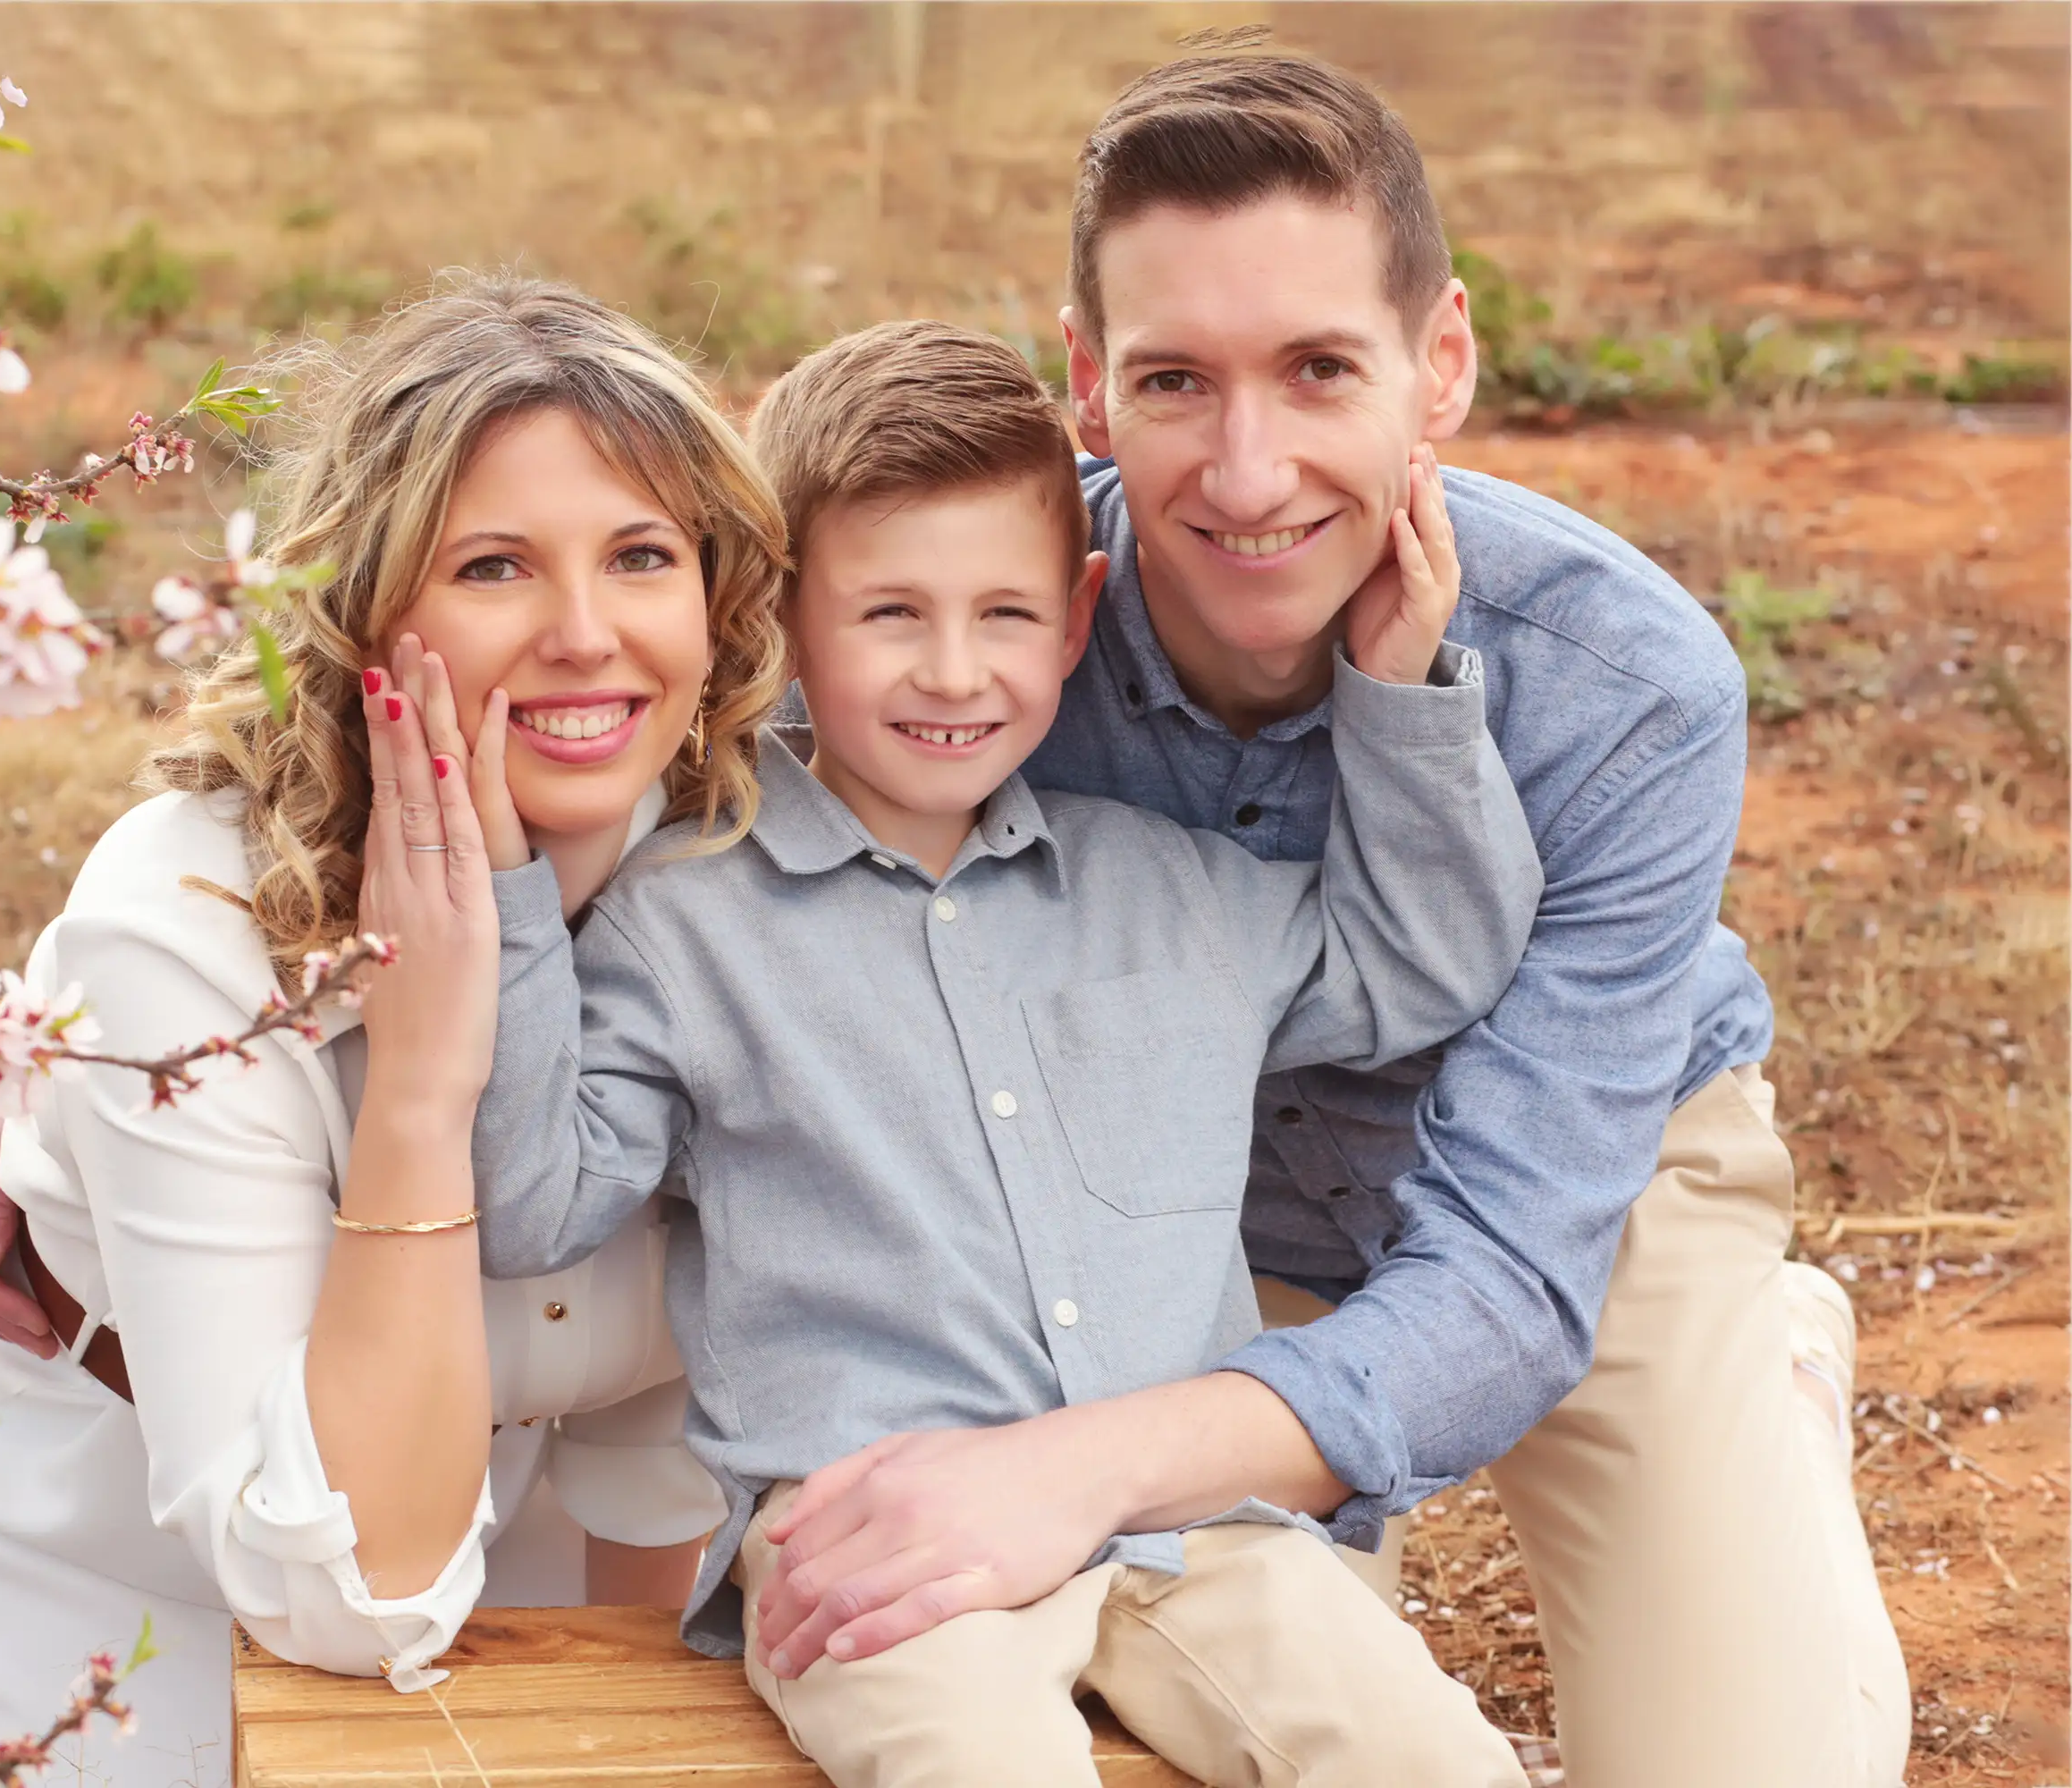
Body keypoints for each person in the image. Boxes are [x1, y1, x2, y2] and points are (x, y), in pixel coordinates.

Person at [747, 56, 1911, 1788]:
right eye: (1172, 379)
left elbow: (1509, 1277)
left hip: (1584, 1206)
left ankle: (1759, 1384)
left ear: (1439, 363)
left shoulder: (1627, 686)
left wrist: (1077, 1464)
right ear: (1087, 383)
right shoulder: (961, 638)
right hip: (1164, 1232)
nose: (1244, 471)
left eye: (1317, 370)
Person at [466, 321, 1541, 1785]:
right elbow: (535, 1206)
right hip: (870, 1544)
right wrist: (511, 897)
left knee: (1432, 1763)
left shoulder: (1173, 888)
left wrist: (1398, 687)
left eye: (1007, 615)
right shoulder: (683, 922)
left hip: (1200, 1534)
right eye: (890, 614)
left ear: (1080, 613)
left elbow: (1425, 962)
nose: (955, 671)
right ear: (777, 613)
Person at [0, 274, 790, 1788]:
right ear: (367, 611)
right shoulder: (183, 933)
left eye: (641, 556)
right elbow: (347, 1597)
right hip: (106, 1547)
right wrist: (422, 1082)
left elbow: (658, 1464)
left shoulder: (753, 865)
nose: (586, 635)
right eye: (494, 567)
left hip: (502, 1524)